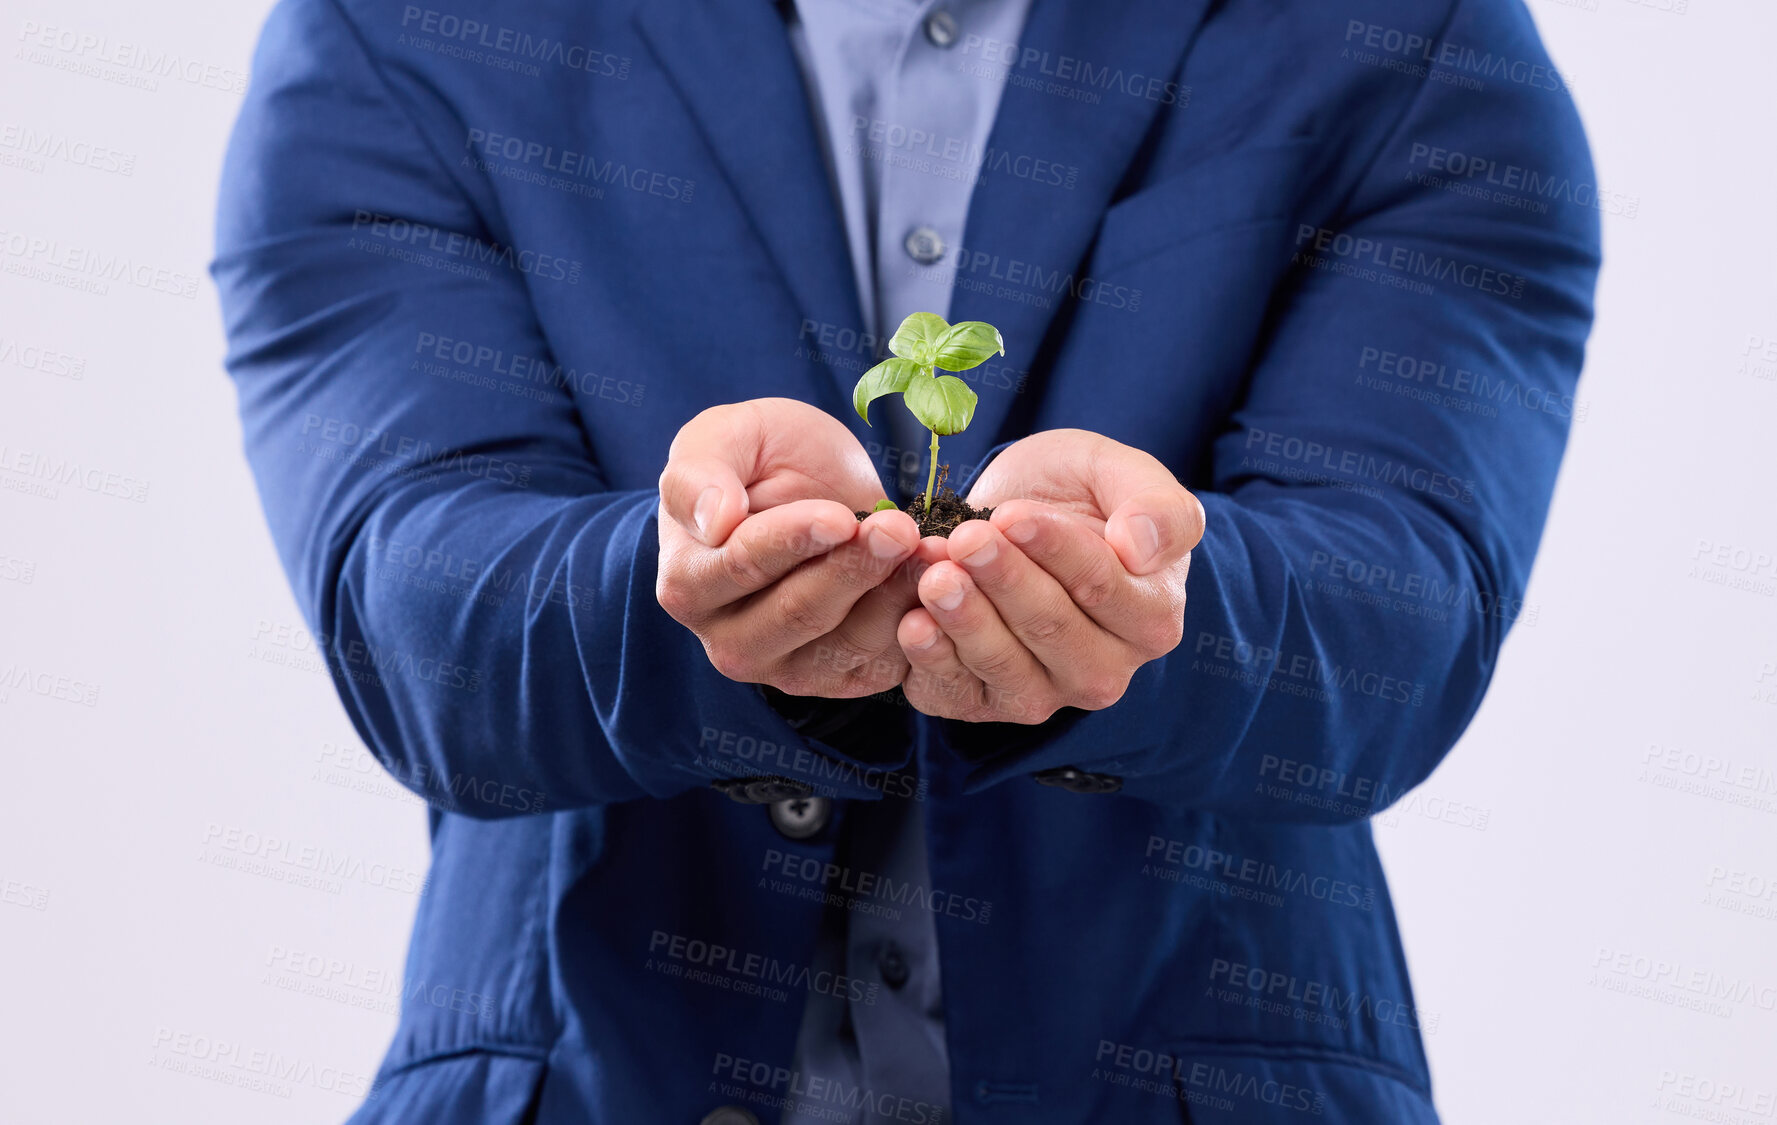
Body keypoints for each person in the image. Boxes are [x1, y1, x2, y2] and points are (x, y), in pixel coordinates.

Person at [212, 0, 1598, 1120]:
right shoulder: (397, 32)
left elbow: (1402, 616)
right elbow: (410, 612)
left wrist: (1155, 597)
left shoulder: (1411, 34)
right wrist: (683, 577)